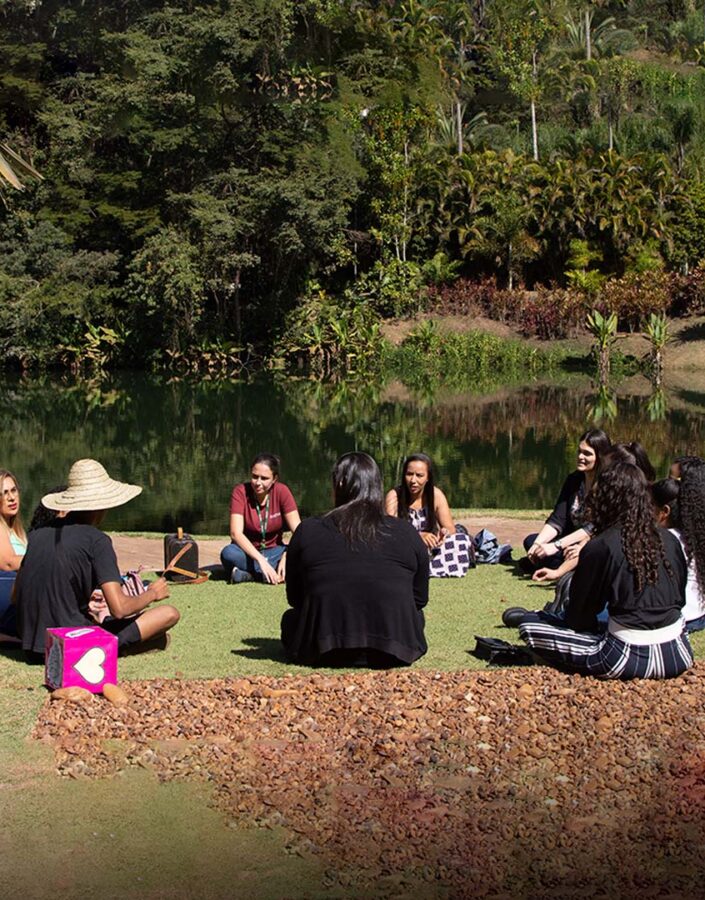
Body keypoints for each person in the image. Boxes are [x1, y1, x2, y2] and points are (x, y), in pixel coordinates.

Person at [518, 461, 692, 680]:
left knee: (529, 626)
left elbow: (579, 620)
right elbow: (680, 600)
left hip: (624, 657)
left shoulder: (600, 545)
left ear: (605, 500)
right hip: (679, 653)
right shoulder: (669, 539)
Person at [15, 459, 180, 659]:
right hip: (71, 647)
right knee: (169, 613)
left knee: (97, 620)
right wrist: (152, 593)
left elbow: (16, 596)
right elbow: (120, 609)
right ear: (102, 505)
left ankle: (117, 645)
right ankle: (115, 649)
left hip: (30, 646)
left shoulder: (35, 534)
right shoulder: (97, 540)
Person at [281, 451, 429, 667]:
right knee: (417, 617)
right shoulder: (406, 532)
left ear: (339, 485)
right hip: (395, 650)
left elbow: (295, 598)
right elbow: (419, 599)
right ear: (377, 486)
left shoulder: (308, 531)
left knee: (291, 619)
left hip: (323, 650)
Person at [523, 429, 611, 572]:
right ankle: (566, 566)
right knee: (531, 541)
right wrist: (539, 543)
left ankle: (567, 567)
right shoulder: (574, 480)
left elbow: (594, 527)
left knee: (586, 553)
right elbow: (558, 519)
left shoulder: (608, 485)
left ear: (600, 457)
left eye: (587, 454)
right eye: (579, 452)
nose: (581, 457)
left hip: (593, 541)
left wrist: (556, 546)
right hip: (568, 540)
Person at [385, 453, 473, 578]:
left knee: (461, 540)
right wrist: (417, 536)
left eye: (419, 476)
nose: (413, 480)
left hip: (430, 550)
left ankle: (424, 570)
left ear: (428, 478)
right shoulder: (394, 496)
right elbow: (389, 531)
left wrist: (442, 535)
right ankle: (423, 569)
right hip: (404, 549)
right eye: (409, 474)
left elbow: (451, 529)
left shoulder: (436, 495)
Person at [221, 453, 301, 584]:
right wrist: (261, 561)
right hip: (247, 554)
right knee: (228, 554)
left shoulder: (282, 491)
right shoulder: (240, 492)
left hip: (276, 552)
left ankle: (249, 575)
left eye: (264, 478)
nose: (258, 482)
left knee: (303, 554)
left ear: (274, 479)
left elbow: (299, 531)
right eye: (254, 477)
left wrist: (287, 555)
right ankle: (267, 573)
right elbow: (236, 533)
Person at [653, 471, 705, 634]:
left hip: (679, 618)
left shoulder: (663, 541)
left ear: (665, 511)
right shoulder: (694, 536)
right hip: (699, 614)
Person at [0, 469, 27, 571]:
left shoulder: (15, 530)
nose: (11, 497)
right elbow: (8, 563)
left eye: (13, 490)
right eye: (4, 493)